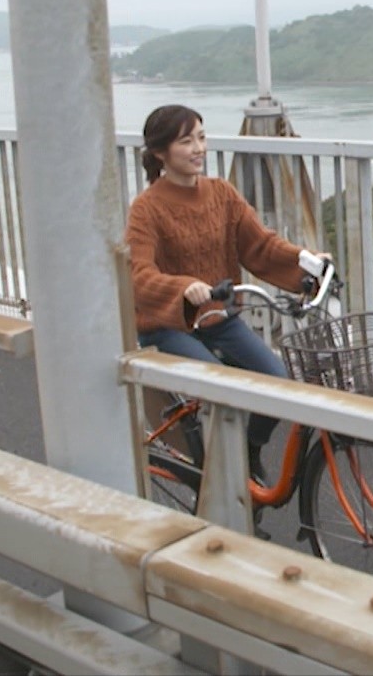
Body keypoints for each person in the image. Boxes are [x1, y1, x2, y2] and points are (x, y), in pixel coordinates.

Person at [125, 104, 325, 484]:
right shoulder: (146, 209)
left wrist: (307, 261)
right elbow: (138, 273)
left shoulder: (221, 193)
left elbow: (261, 245)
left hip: (218, 318)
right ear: (161, 152)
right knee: (220, 388)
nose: (199, 148)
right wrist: (183, 287)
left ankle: (247, 455)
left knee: (278, 380)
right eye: (186, 141)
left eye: (201, 137)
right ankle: (220, 479)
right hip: (169, 326)